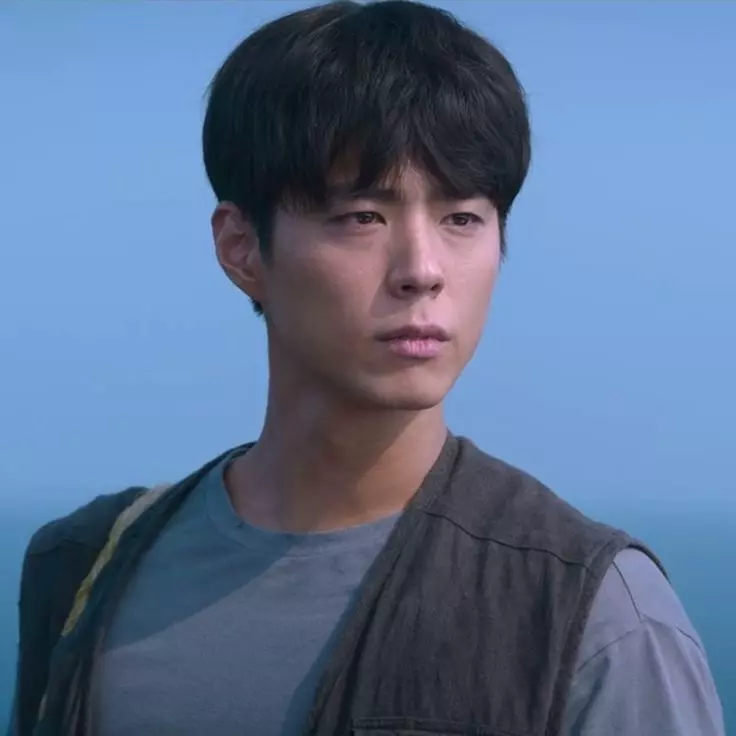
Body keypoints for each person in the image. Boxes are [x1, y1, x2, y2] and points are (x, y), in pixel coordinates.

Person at [9, 2, 725, 735]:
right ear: (241, 247)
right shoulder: (84, 569)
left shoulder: (592, 613)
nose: (423, 270)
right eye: (362, 217)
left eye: (462, 218)